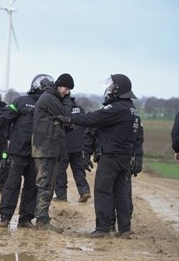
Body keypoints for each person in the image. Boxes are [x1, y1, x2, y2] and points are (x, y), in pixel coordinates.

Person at [59, 74, 142, 237]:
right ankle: (125, 229)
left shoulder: (116, 108)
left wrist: (68, 119)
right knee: (121, 192)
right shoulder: (131, 108)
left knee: (103, 191)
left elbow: (93, 118)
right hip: (124, 156)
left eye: (112, 87)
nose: (109, 89)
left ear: (119, 89)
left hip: (111, 156)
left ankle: (103, 229)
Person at [0, 74, 52, 229]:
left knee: (32, 187)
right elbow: (4, 117)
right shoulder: (22, 101)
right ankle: (5, 218)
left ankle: (25, 219)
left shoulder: (50, 104)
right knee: (11, 185)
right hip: (18, 151)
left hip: (37, 153)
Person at [31, 73, 74, 232]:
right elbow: (66, 114)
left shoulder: (52, 97)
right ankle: (41, 220)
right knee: (45, 184)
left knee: (48, 184)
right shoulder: (49, 98)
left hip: (50, 147)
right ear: (59, 85)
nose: (67, 92)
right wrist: (68, 101)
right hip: (45, 147)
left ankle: (43, 218)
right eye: (66, 88)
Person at [54, 96, 91, 202]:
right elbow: (85, 125)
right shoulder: (80, 109)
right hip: (78, 146)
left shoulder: (62, 110)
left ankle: (61, 196)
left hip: (64, 146)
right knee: (79, 170)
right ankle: (84, 191)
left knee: (60, 172)